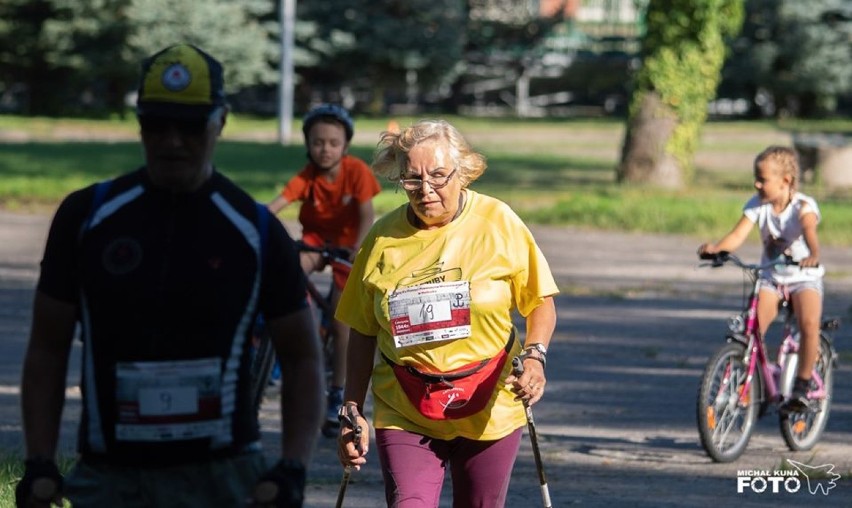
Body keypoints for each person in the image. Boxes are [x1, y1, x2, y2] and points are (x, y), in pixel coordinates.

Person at [16, 43, 324, 508]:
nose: (172, 140)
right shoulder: (87, 218)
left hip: (224, 479)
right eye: (155, 124)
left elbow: (303, 358)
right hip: (110, 479)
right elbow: (47, 346)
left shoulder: (256, 232)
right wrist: (39, 460)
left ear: (219, 122)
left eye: (190, 126)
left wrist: (292, 467)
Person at [334, 119, 559, 506]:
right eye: (412, 179)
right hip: (405, 405)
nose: (426, 190)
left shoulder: (498, 222)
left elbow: (539, 301)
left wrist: (535, 357)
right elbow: (363, 329)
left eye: (438, 176)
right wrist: (351, 409)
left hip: (490, 404)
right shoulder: (382, 239)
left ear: (463, 172)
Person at [268, 104, 381, 433]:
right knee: (288, 274)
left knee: (341, 316)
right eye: (318, 142)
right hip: (316, 240)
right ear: (308, 145)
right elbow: (278, 203)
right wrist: (257, 220)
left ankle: (337, 391)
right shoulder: (308, 175)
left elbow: (365, 214)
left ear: (345, 146)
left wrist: (358, 246)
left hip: (347, 244)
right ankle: (277, 349)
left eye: (333, 142)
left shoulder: (356, 171)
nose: (325, 149)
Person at [697, 145, 824, 413]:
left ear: (785, 181)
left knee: (809, 323)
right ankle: (753, 380)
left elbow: (810, 230)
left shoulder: (802, 206)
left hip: (803, 276)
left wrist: (813, 253)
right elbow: (737, 236)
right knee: (752, 328)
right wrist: (717, 249)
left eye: (762, 179)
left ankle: (802, 385)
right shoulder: (757, 205)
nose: (756, 183)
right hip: (772, 277)